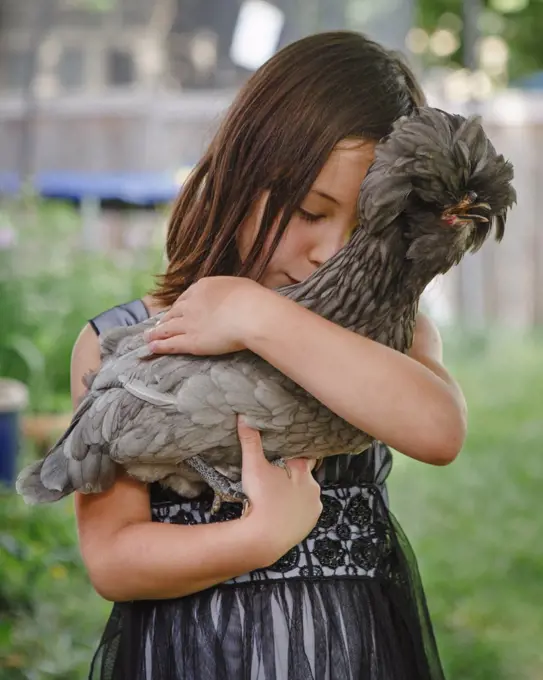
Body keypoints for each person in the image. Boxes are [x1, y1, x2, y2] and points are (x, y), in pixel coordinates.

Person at [73, 31, 467, 680]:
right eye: (309, 211)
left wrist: (260, 317)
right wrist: (255, 539)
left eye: (367, 228)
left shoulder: (389, 340)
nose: (329, 253)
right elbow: (113, 559)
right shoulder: (132, 343)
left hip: (348, 655)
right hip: (192, 658)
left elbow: (439, 430)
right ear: (240, 176)